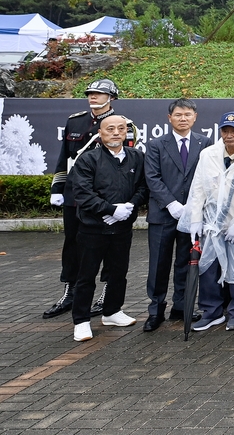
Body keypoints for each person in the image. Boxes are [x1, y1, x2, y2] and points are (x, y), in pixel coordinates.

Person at [44, 78, 127, 320]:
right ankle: (70, 291)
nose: (93, 97)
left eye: (99, 94)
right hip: (75, 195)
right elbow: (65, 157)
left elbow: (123, 161)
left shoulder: (121, 124)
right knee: (72, 245)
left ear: (111, 97)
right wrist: (58, 188)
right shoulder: (75, 121)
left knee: (110, 247)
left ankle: (106, 295)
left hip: (104, 197)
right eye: (91, 93)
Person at [180, 112, 234, 332]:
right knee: (208, 267)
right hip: (212, 223)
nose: (230, 135)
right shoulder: (208, 154)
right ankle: (212, 312)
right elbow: (198, 188)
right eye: (225, 130)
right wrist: (195, 220)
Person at [69, 115, 147, 342]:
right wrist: (110, 210)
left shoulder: (136, 157)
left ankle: (112, 311)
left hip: (122, 229)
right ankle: (81, 321)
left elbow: (143, 186)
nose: (116, 132)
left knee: (118, 273)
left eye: (120, 129)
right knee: (86, 276)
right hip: (93, 229)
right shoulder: (88, 159)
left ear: (126, 132)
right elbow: (83, 193)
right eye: (110, 129)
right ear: (100, 133)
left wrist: (130, 206)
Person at [143, 98, 211, 332]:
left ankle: (181, 307)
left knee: (185, 261)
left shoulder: (204, 142)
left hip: (191, 215)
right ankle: (156, 309)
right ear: (169, 118)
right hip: (163, 214)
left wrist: (193, 206)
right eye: (178, 115)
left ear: (195, 117)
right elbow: (152, 177)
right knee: (159, 263)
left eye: (188, 114)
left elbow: (206, 177)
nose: (183, 118)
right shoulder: (156, 144)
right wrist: (171, 203)